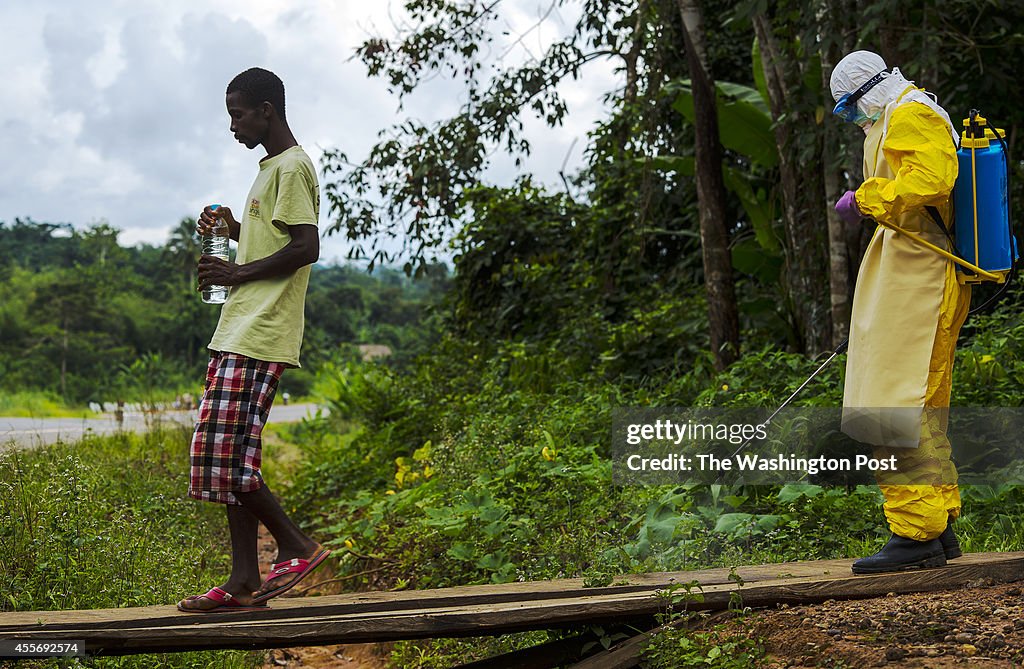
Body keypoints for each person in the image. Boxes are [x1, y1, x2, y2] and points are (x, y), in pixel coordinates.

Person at [177, 67, 330, 613]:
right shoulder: (271, 170)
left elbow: (306, 246)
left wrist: (237, 275)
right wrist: (233, 231)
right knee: (230, 457)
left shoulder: (293, 167)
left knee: (223, 454)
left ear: (267, 110)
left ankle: (297, 545)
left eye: (237, 113)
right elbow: (275, 238)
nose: (233, 125)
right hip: (239, 328)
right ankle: (243, 580)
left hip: (261, 332)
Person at [830, 50, 969, 574]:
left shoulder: (911, 113)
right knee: (918, 406)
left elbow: (932, 180)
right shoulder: (903, 112)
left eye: (848, 108)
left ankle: (915, 532)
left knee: (890, 405)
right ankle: (936, 525)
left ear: (868, 89)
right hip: (913, 269)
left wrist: (867, 198)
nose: (852, 119)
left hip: (921, 274)